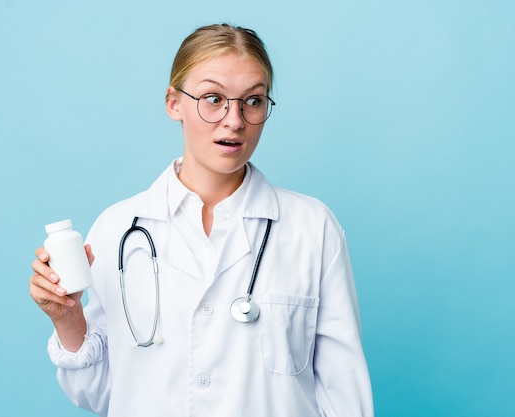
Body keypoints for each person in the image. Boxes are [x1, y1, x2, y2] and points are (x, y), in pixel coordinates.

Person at [30, 23, 374, 417]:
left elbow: (345, 394)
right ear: (173, 103)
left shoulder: (313, 229)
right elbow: (101, 394)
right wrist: (68, 319)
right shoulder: (117, 230)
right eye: (213, 98)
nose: (235, 120)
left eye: (254, 101)